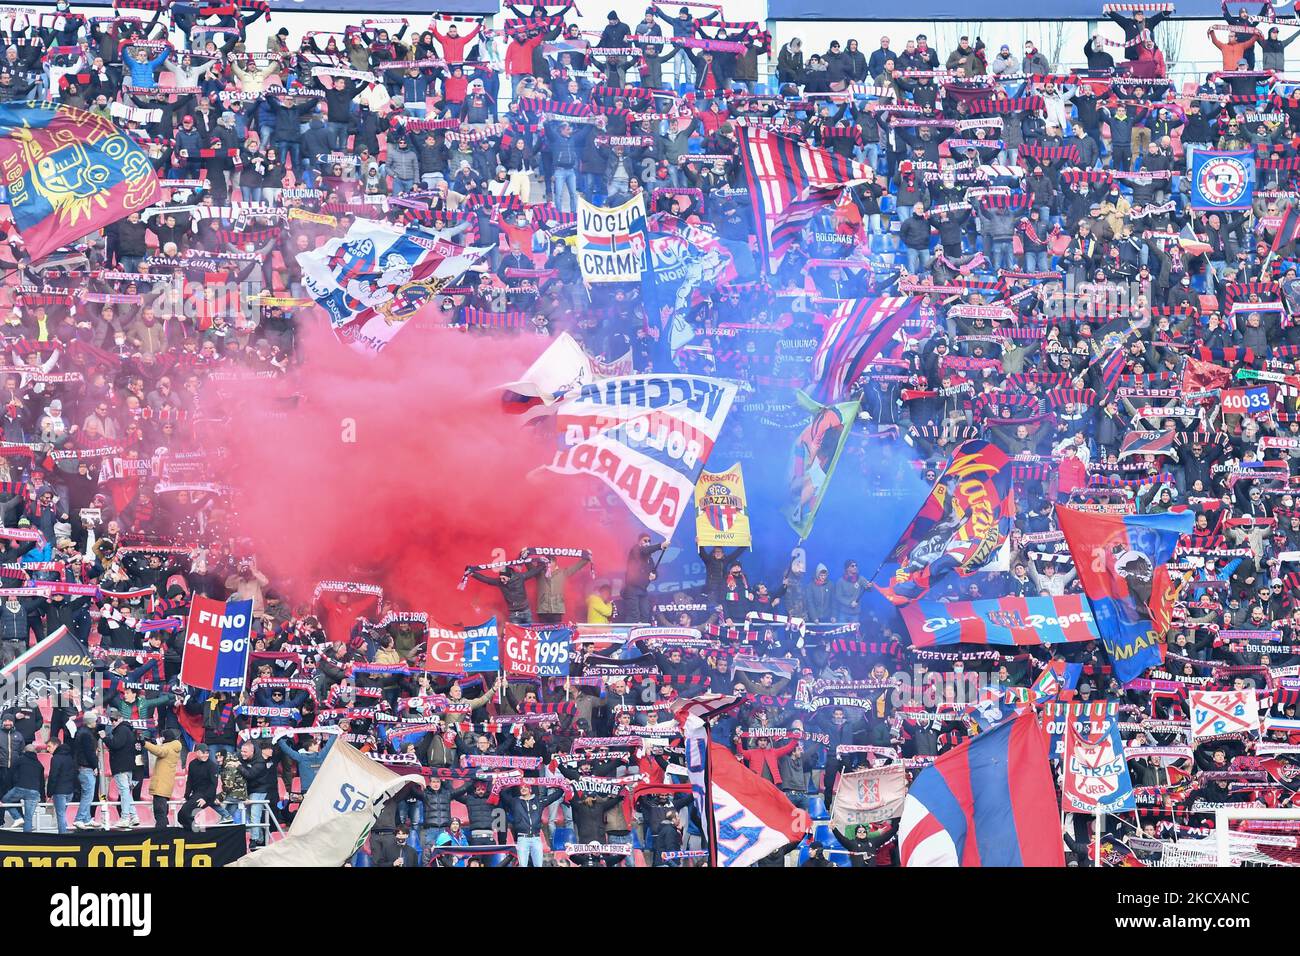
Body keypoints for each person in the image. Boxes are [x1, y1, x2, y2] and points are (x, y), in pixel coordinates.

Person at [143, 730, 183, 829]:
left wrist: (144, 743)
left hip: (160, 785)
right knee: (163, 812)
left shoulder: (168, 747)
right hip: (166, 785)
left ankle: (161, 835)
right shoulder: (174, 747)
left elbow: (159, 751)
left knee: (160, 813)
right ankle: (165, 832)